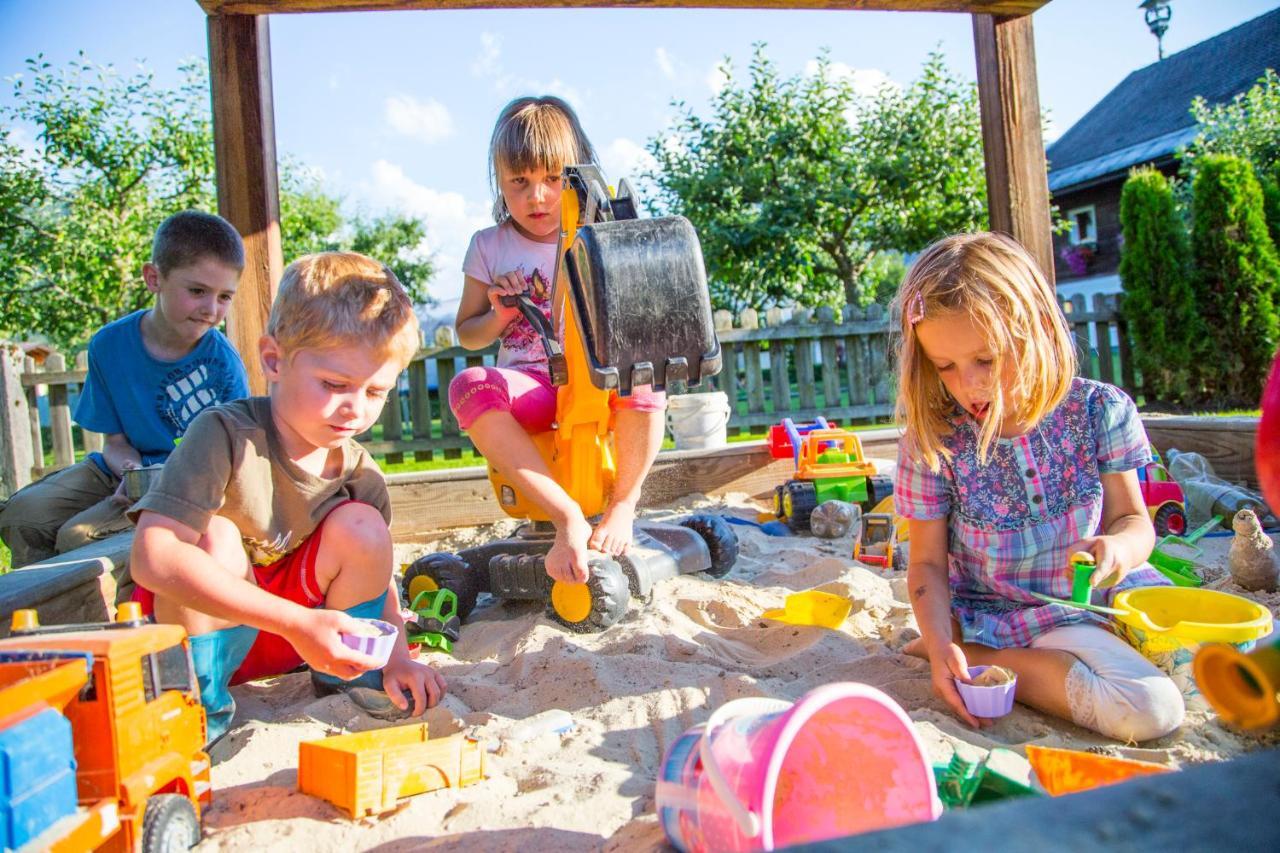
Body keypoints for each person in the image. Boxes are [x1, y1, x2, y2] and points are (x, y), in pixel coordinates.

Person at [128, 252, 446, 743]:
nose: (355, 409)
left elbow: (380, 582)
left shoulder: (359, 471)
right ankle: (202, 712)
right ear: (274, 360)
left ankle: (353, 671)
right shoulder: (224, 436)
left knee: (362, 524)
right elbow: (153, 557)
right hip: (207, 633)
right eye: (334, 385)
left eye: (376, 392)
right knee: (213, 534)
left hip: (313, 640)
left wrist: (398, 654)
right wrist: (295, 623)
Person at [893, 232, 1184, 742]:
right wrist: (943, 645)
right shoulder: (934, 443)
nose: (969, 384)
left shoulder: (1099, 410)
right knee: (1149, 709)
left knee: (1243, 652)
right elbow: (928, 564)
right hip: (1009, 617)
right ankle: (987, 658)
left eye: (986, 359)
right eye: (945, 366)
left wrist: (1117, 548)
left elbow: (1135, 522)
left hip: (1107, 601)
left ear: (1035, 331)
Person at [449, 95, 667, 584]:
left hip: (599, 377)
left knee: (647, 376)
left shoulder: (601, 233)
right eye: (519, 183)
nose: (537, 197)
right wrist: (500, 315)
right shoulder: (489, 246)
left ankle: (623, 504)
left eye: (552, 178)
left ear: (576, 174)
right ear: (499, 183)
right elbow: (467, 333)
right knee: (470, 385)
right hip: (532, 384)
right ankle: (565, 513)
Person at [0, 210, 250, 568]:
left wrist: (160, 486)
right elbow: (115, 444)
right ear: (154, 278)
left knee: (77, 537)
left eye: (225, 297)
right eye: (197, 291)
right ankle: (37, 611)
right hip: (122, 472)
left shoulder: (223, 363)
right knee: (22, 514)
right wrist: (132, 472)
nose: (211, 310)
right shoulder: (109, 344)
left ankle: (110, 613)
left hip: (188, 485)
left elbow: (235, 459)